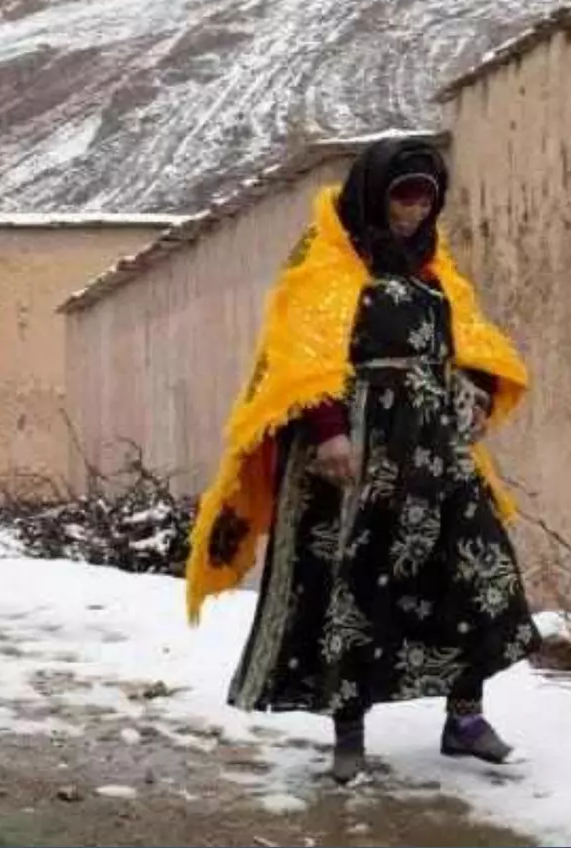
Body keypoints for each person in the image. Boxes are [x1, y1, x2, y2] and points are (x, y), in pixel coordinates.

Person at [183, 137, 540, 785]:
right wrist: (328, 432)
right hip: (351, 453)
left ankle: (465, 718)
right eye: (404, 195)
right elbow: (300, 355)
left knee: (470, 572)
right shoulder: (323, 260)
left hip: (434, 453)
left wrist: (476, 393)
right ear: (375, 194)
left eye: (427, 198)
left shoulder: (435, 268)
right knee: (351, 580)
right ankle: (349, 731)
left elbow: (472, 341)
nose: (414, 210)